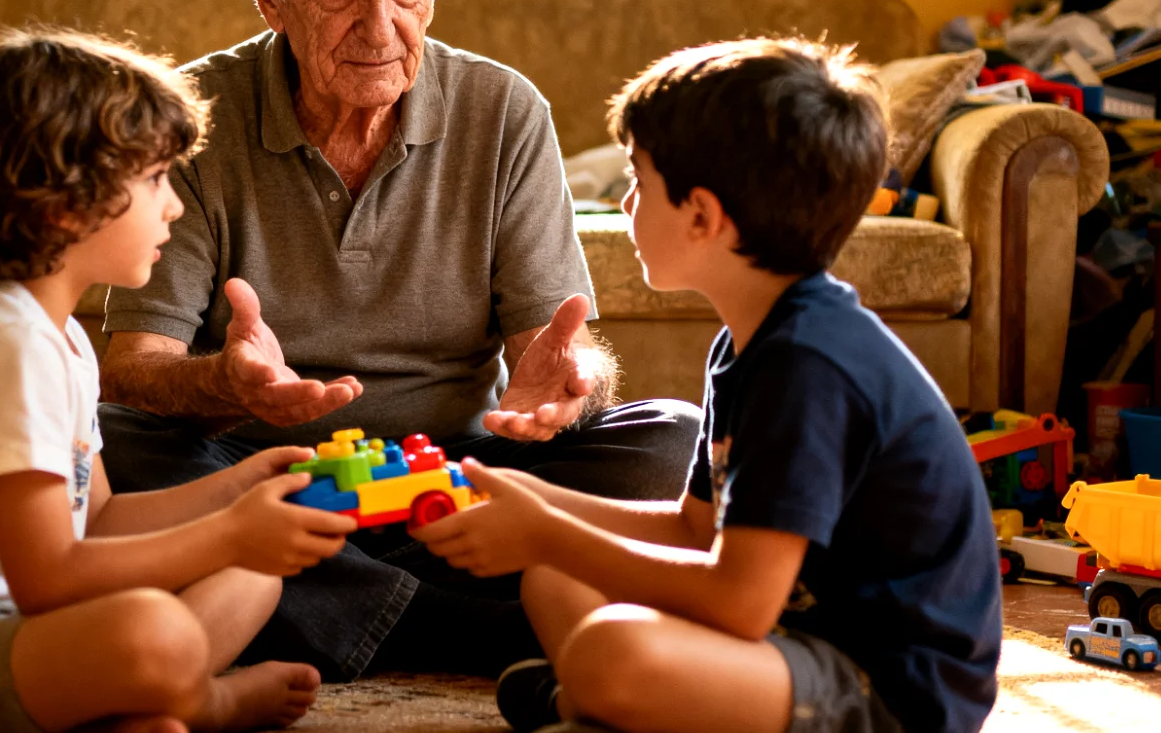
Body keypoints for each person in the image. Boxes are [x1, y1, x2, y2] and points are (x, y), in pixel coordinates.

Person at [97, 0, 702, 680]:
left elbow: (554, 356)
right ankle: (483, 623)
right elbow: (135, 369)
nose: (379, 23)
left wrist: (569, 386)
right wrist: (223, 387)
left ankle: (322, 605)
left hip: (457, 477)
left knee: (673, 436)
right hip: (268, 476)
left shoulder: (504, 111)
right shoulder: (195, 119)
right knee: (103, 442)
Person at [416, 39, 1002, 733]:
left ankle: (595, 699)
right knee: (554, 580)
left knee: (610, 645)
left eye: (638, 178)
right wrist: (530, 499)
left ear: (701, 216)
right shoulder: (750, 340)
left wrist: (545, 532)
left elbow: (739, 604)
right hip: (794, 636)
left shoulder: (810, 365)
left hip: (890, 685)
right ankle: (605, 702)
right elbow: (696, 528)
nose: (626, 201)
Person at [0, 30, 359, 733]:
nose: (174, 206)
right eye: (156, 179)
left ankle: (147, 703)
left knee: (254, 576)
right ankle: (203, 699)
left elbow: (96, 520)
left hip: (10, 639)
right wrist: (229, 534)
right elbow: (50, 576)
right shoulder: (2, 343)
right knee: (152, 628)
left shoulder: (57, 337)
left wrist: (238, 487)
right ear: (66, 202)